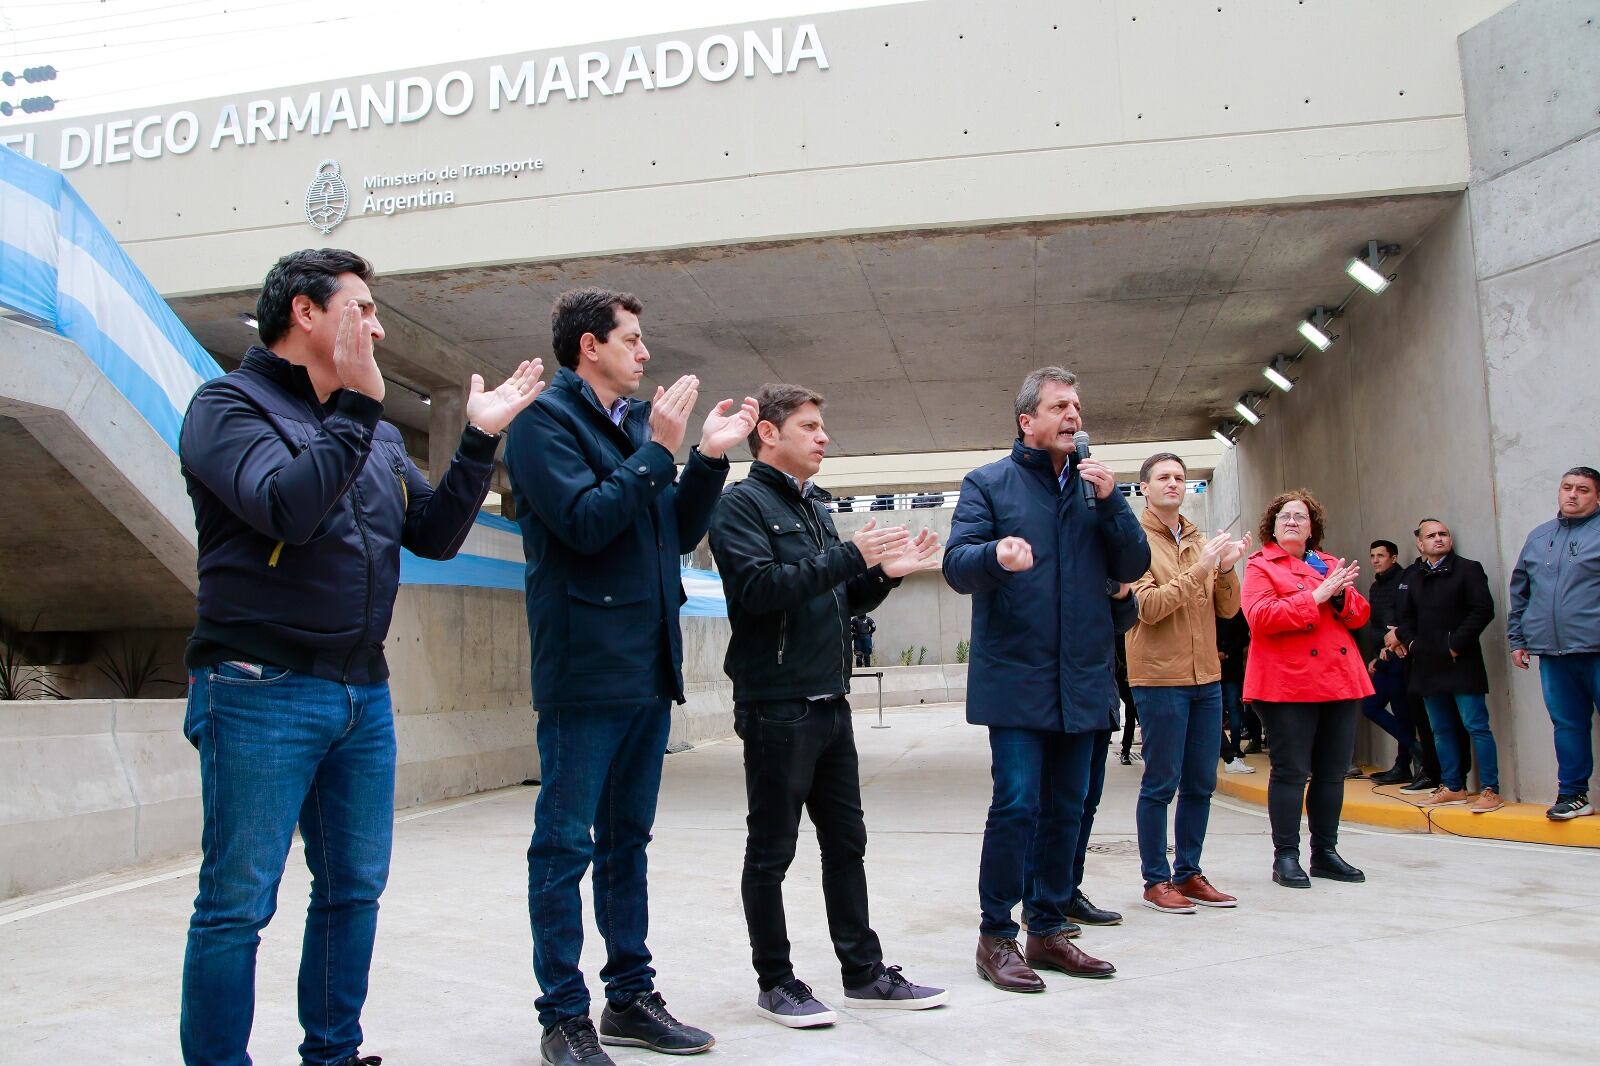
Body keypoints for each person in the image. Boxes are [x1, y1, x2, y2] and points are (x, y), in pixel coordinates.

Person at [177, 249, 544, 1066]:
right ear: (306, 313)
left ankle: (334, 1054)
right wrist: (356, 408)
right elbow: (286, 509)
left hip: (361, 693)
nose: (377, 326)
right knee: (237, 903)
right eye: (364, 308)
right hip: (259, 685)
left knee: (353, 892)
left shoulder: (370, 433)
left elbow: (436, 536)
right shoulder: (226, 408)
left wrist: (479, 442)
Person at [503, 287, 757, 1066]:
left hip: (648, 666)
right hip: (585, 670)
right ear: (590, 346)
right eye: (633, 339)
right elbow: (582, 522)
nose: (646, 353)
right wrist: (657, 454)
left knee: (627, 842)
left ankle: (630, 997)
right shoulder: (544, 423)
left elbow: (671, 534)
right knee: (563, 846)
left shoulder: (643, 426)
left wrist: (706, 459)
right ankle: (564, 1015)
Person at [708, 383, 947, 1029]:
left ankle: (863, 974)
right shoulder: (740, 507)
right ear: (769, 433)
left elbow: (835, 598)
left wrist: (883, 575)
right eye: (810, 426)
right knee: (772, 851)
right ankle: (776, 982)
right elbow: (759, 590)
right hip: (777, 705)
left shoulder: (815, 507)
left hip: (829, 703)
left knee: (847, 844)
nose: (823, 437)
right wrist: (851, 555)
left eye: (822, 427)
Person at [944, 367, 1149, 993]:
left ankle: (1048, 927)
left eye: (1078, 406)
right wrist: (997, 557)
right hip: (1017, 679)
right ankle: (996, 935)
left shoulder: (1096, 491)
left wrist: (1114, 501)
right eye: (1059, 406)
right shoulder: (988, 485)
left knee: (1069, 807)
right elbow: (956, 565)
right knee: (1018, 803)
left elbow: (1134, 563)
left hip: (1084, 678)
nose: (1074, 416)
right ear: (1026, 421)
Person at [1125, 453, 1252, 914]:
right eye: (1163, 477)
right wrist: (1202, 568)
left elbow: (1228, 610)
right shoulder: (1132, 541)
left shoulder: (1199, 539)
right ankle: (1156, 880)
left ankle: (1189, 873)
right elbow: (1150, 607)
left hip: (1207, 675)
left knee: (1201, 781)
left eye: (1180, 477)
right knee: (1161, 781)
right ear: (1144, 488)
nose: (1174, 483)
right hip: (1160, 677)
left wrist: (1224, 568)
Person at [1241, 490, 1373, 889]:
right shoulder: (1260, 565)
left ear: (1312, 526)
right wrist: (1315, 595)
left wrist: (1341, 595)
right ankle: (1286, 856)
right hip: (1287, 683)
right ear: (1273, 526)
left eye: (1301, 516)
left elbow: (1360, 615)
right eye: (1285, 516)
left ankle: (1326, 853)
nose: (1293, 521)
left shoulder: (1330, 563)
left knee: (1332, 772)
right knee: (1291, 770)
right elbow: (1260, 616)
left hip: (1338, 679)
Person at [1509, 466, 1600, 820]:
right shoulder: (1538, 537)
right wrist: (1518, 639)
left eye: (1582, 489)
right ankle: (1574, 795)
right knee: (1568, 725)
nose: (1572, 495)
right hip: (1554, 653)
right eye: (1567, 488)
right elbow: (1521, 592)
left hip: (1595, 648)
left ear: (1597, 497)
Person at [1396, 518, 1502, 814]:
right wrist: (1414, 644)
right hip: (1427, 666)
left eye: (1444, 534)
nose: (1439, 539)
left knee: (1476, 725)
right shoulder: (1412, 577)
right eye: (1431, 535)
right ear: (1420, 543)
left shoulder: (1468, 569)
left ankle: (1491, 789)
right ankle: (1453, 786)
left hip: (1462, 662)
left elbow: (1483, 610)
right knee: (1440, 729)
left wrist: (1455, 644)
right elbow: (1404, 619)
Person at [1066, 583, 1142, 929]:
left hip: (1100, 692)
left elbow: (1124, 620)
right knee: (1055, 806)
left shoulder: (1105, 558)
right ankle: (1041, 900)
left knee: (1086, 804)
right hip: (1062, 697)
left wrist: (1121, 593)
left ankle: (1068, 892)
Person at [1362, 540, 1429, 786]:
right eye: (1372, 555)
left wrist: (1392, 643)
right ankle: (1414, 750)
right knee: (1371, 706)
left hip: (1400, 655)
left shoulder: (1403, 581)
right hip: (1384, 655)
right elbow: (1377, 625)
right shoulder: (1374, 587)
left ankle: (1404, 764)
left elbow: (1399, 619)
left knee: (1403, 713)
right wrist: (1376, 653)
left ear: (1394, 557)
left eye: (1381, 555)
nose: (1376, 560)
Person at [1216, 611, 1254, 771]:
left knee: (1222, 711)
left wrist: (1222, 654)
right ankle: (1233, 749)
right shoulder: (1235, 612)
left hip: (1219, 668)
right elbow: (1243, 638)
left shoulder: (1211, 610)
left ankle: (1230, 749)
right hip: (1225, 668)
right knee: (1232, 710)